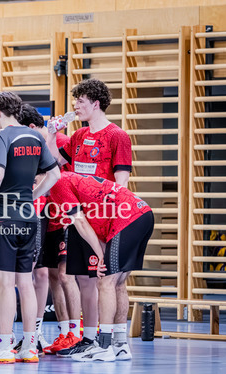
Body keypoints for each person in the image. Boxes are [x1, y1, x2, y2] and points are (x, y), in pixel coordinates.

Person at [0, 91, 60, 364]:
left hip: (4, 218)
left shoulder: (2, 136)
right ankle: (30, 346)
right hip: (30, 218)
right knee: (26, 282)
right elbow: (54, 174)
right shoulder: (35, 136)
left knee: (5, 284)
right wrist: (32, 197)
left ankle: (4, 345)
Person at [46, 78, 132, 358]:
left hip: (107, 219)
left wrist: (112, 220)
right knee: (84, 279)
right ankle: (90, 338)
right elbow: (54, 163)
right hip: (80, 218)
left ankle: (120, 342)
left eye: (80, 101)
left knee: (112, 281)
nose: (75, 106)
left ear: (96, 104)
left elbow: (121, 184)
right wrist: (51, 134)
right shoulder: (79, 136)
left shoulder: (117, 135)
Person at [49, 172, 153, 361]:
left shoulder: (57, 183)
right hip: (141, 213)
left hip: (127, 217)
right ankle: (120, 345)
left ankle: (104, 346)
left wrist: (100, 257)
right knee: (118, 283)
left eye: (35, 180)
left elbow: (81, 222)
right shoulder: (70, 180)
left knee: (105, 282)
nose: (34, 185)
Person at [18, 104, 82, 355]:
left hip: (68, 216)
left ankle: (77, 333)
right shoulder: (34, 146)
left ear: (31, 127)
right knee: (55, 276)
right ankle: (64, 333)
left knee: (67, 276)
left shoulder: (61, 142)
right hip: (47, 216)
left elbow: (71, 177)